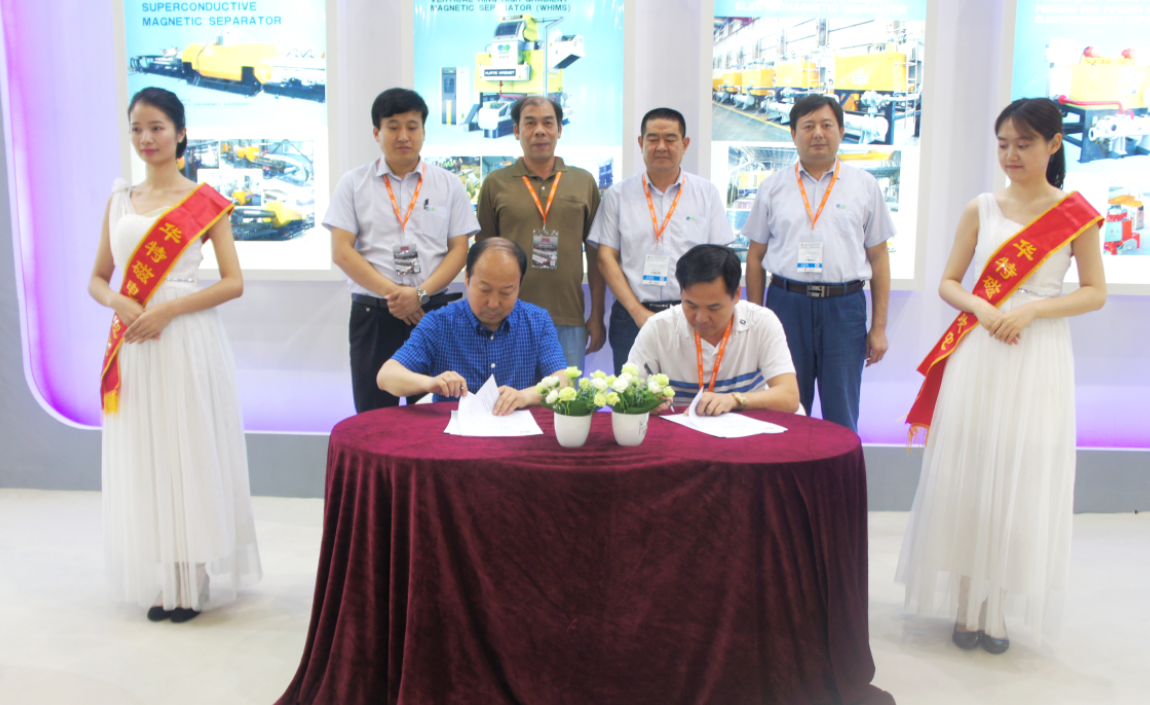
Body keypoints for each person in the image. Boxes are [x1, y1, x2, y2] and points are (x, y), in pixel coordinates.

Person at [897, 98, 1106, 655]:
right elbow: (949, 281)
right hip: (981, 350)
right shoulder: (982, 208)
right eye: (1003, 144)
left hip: (1037, 354)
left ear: (1054, 145)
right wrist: (982, 309)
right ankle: (967, 602)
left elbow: (1094, 292)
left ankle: (999, 608)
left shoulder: (1076, 215)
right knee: (969, 470)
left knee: (1022, 474)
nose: (1011, 154)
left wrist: (1033, 309)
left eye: (1024, 144)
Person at [88, 87, 261, 623]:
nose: (146, 138)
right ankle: (167, 572)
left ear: (181, 133)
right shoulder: (120, 200)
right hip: (135, 341)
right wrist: (119, 301)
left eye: (157, 127)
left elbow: (232, 283)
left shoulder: (205, 202)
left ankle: (195, 570)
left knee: (189, 446)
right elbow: (97, 278)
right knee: (150, 450)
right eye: (137, 128)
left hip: (185, 337)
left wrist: (168, 310)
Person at [743, 94, 894, 432]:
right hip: (786, 305)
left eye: (827, 125)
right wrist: (755, 320)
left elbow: (879, 257)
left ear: (841, 130)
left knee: (842, 413)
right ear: (793, 133)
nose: (818, 134)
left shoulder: (865, 186)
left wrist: (879, 326)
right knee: (785, 411)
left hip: (844, 309)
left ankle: (840, 468)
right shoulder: (772, 187)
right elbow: (755, 257)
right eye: (808, 126)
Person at [326, 88, 480, 413]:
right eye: (393, 127)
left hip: (431, 313)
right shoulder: (353, 183)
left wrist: (419, 294)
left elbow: (459, 250)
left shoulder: (449, 184)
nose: (403, 136)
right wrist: (397, 295)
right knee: (373, 412)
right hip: (374, 315)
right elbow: (342, 252)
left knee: (435, 411)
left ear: (424, 131)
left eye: (412, 126)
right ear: (376, 132)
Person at [590, 108, 734, 374]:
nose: (661, 146)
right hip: (631, 318)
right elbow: (605, 258)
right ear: (640, 143)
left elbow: (719, 259)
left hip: (692, 315)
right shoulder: (618, 195)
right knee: (632, 393)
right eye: (653, 139)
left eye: (670, 139)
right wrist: (638, 312)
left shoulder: (706, 193)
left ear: (685, 144)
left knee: (690, 393)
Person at [476, 95, 606, 371]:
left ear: (559, 130)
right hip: (508, 318)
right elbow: (481, 256)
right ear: (515, 130)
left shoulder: (583, 181)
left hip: (568, 318)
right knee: (508, 395)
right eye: (530, 123)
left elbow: (597, 257)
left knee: (565, 396)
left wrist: (597, 315)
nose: (539, 131)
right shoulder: (495, 183)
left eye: (548, 123)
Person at [377, 238, 569, 415]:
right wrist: (430, 383)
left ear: (519, 284)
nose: (493, 303)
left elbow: (564, 382)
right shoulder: (439, 323)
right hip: (453, 434)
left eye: (506, 292)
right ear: (467, 278)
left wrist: (525, 396)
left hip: (518, 433)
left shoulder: (537, 321)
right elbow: (386, 376)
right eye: (485, 290)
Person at [627, 245, 800, 415]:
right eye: (691, 305)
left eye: (714, 308)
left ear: (737, 295)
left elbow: (789, 397)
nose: (701, 318)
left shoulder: (761, 322)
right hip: (680, 429)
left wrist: (734, 400)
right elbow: (625, 394)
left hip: (746, 429)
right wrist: (644, 400)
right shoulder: (658, 328)